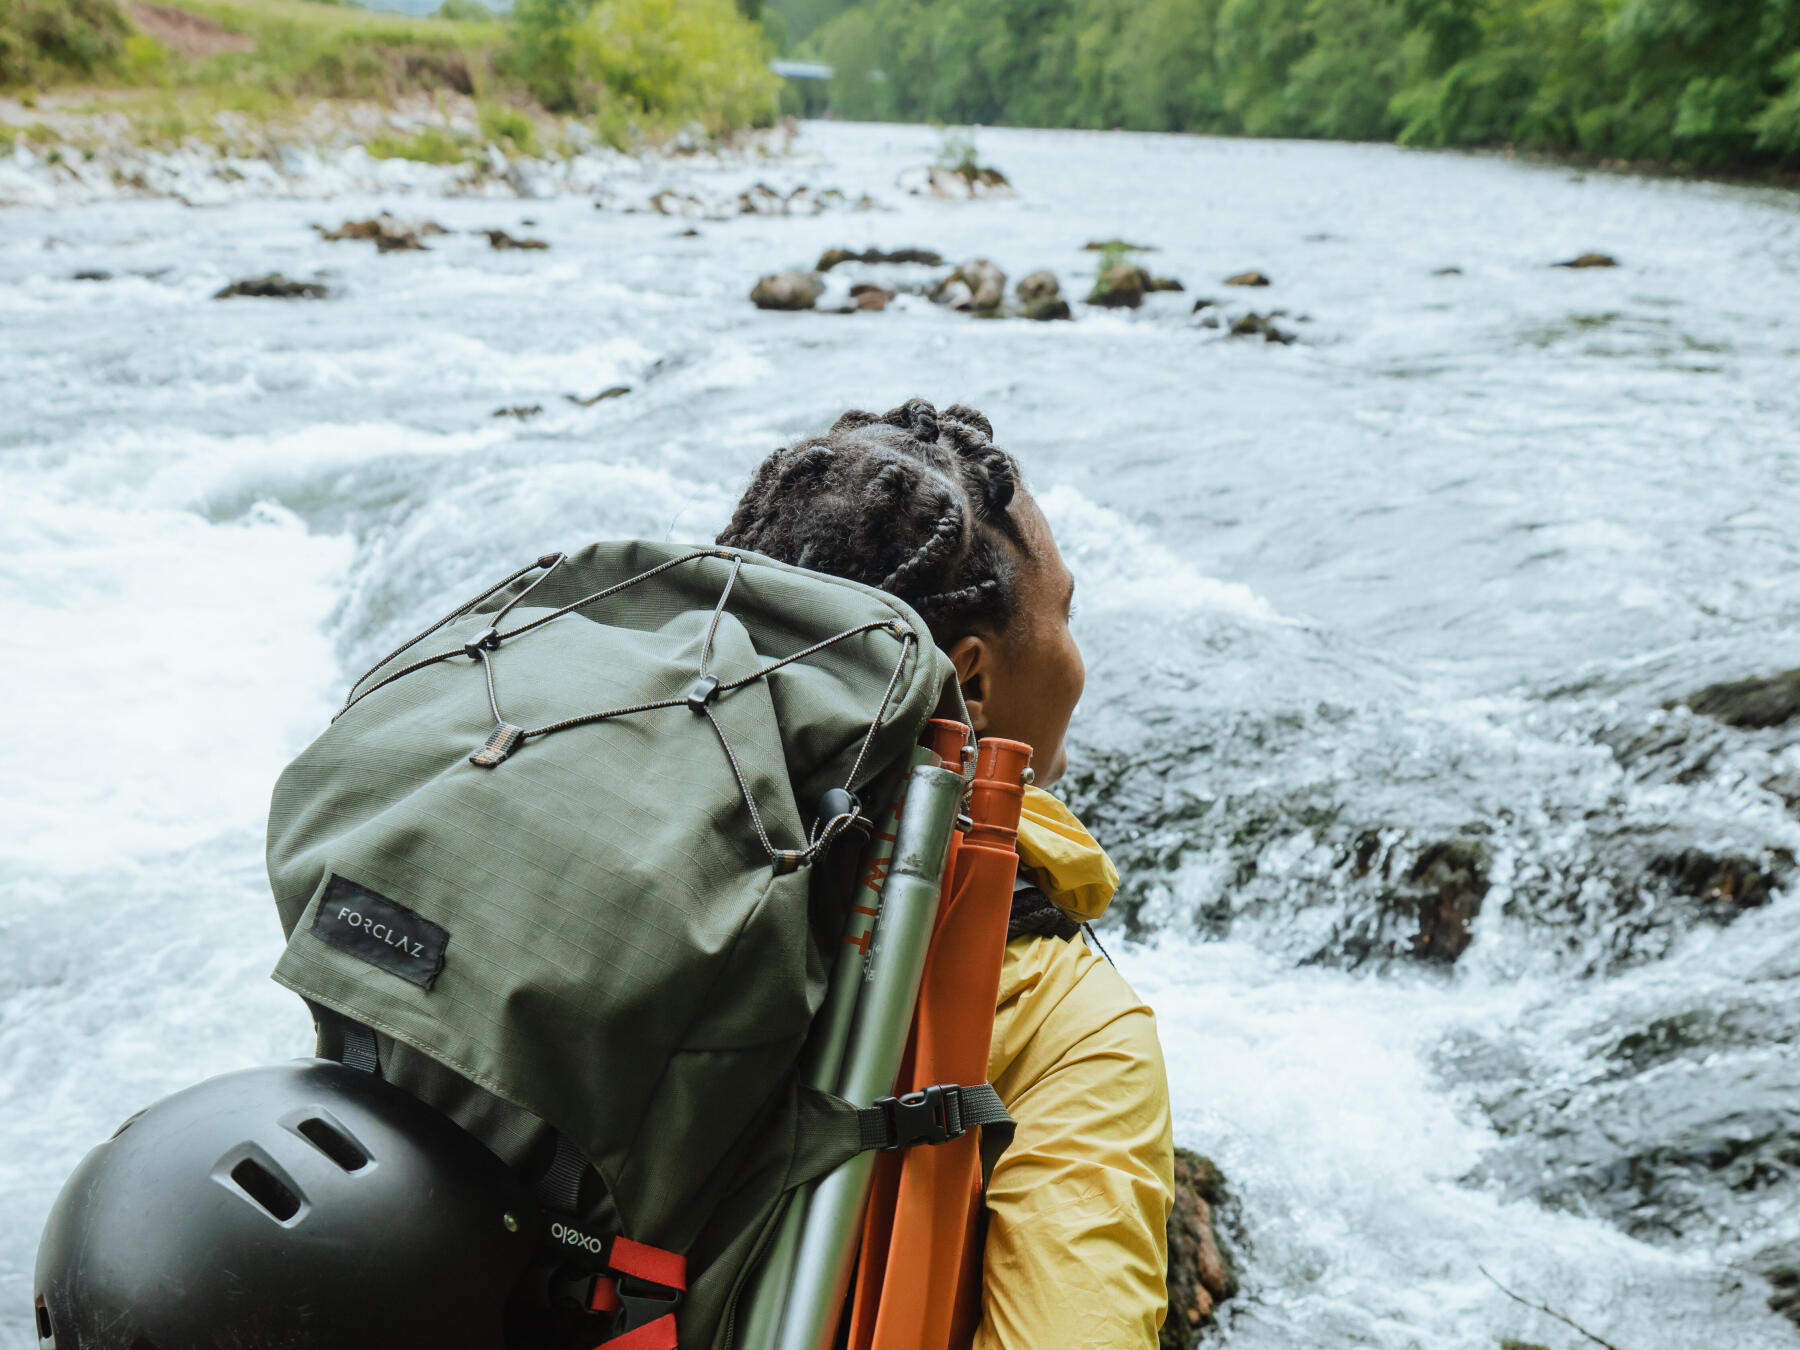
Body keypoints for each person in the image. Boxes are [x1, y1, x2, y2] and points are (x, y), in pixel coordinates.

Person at [718, 398, 1175, 1349]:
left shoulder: (624, 858)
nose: (1078, 661)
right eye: (1064, 615)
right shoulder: (1065, 1024)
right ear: (970, 681)